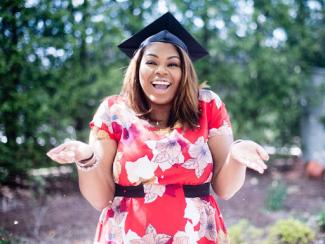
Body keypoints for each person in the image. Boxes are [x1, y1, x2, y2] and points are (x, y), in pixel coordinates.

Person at [47, 12, 269, 244]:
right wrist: (86, 158)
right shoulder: (113, 112)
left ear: (185, 72)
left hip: (195, 235)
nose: (161, 70)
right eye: (151, 62)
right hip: (128, 235)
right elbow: (100, 198)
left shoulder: (208, 105)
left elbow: (225, 189)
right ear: (137, 68)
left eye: (172, 64)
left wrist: (236, 155)